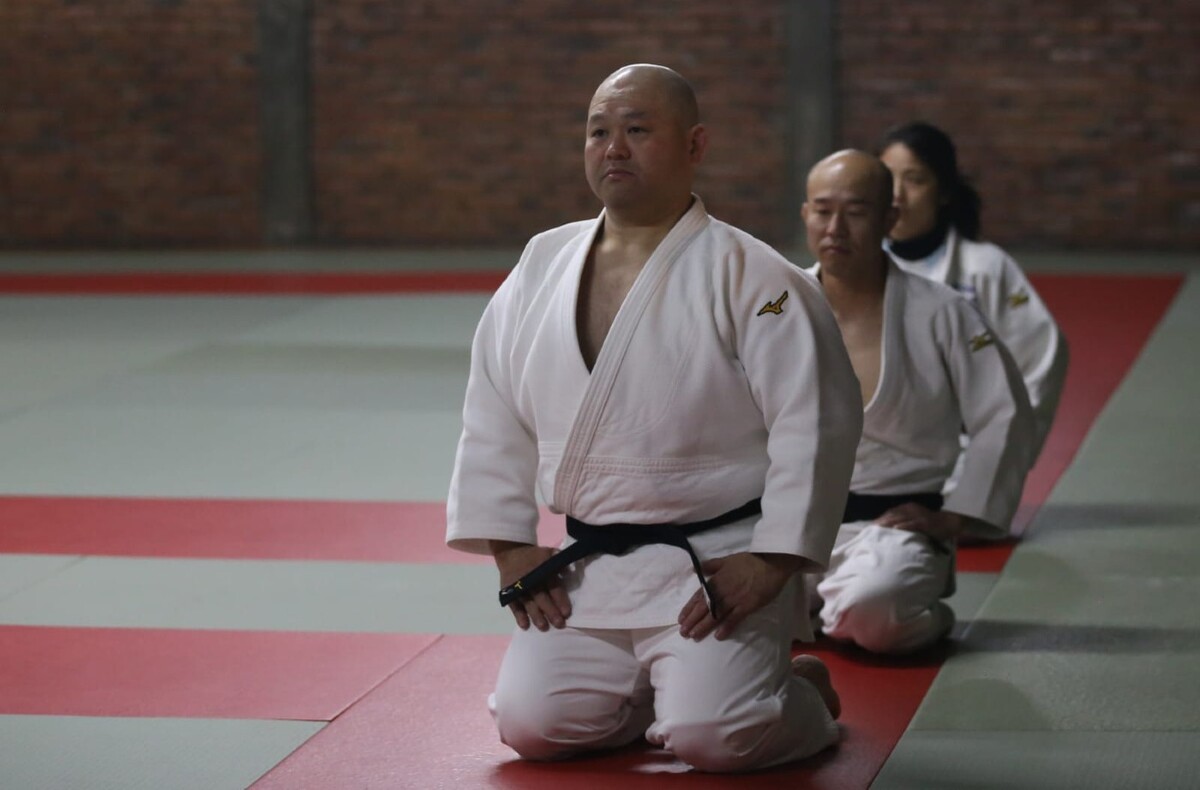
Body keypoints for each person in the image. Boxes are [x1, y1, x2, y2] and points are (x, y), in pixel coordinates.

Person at [446, 64, 863, 772]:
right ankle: (653, 692)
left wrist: (773, 561)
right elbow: (494, 408)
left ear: (695, 146)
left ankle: (804, 695)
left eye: (638, 130)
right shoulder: (542, 263)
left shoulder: (754, 276)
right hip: (592, 567)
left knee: (717, 739)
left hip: (716, 567)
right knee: (533, 726)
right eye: (598, 132)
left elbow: (815, 421)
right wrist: (510, 546)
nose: (613, 148)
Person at [801, 150, 1035, 654]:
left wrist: (956, 517)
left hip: (891, 529)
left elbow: (1003, 413)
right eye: (823, 210)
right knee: (697, 600)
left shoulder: (941, 311)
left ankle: (904, 609)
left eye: (857, 212)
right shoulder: (776, 304)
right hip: (789, 526)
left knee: (874, 612)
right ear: (805, 215)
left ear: (889, 218)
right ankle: (822, 607)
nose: (836, 227)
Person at [879, 122, 1068, 521]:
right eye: (886, 179)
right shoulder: (849, 269)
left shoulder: (986, 270)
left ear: (944, 192)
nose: (896, 195)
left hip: (959, 460)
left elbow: (1037, 363)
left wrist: (980, 481)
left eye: (914, 180)